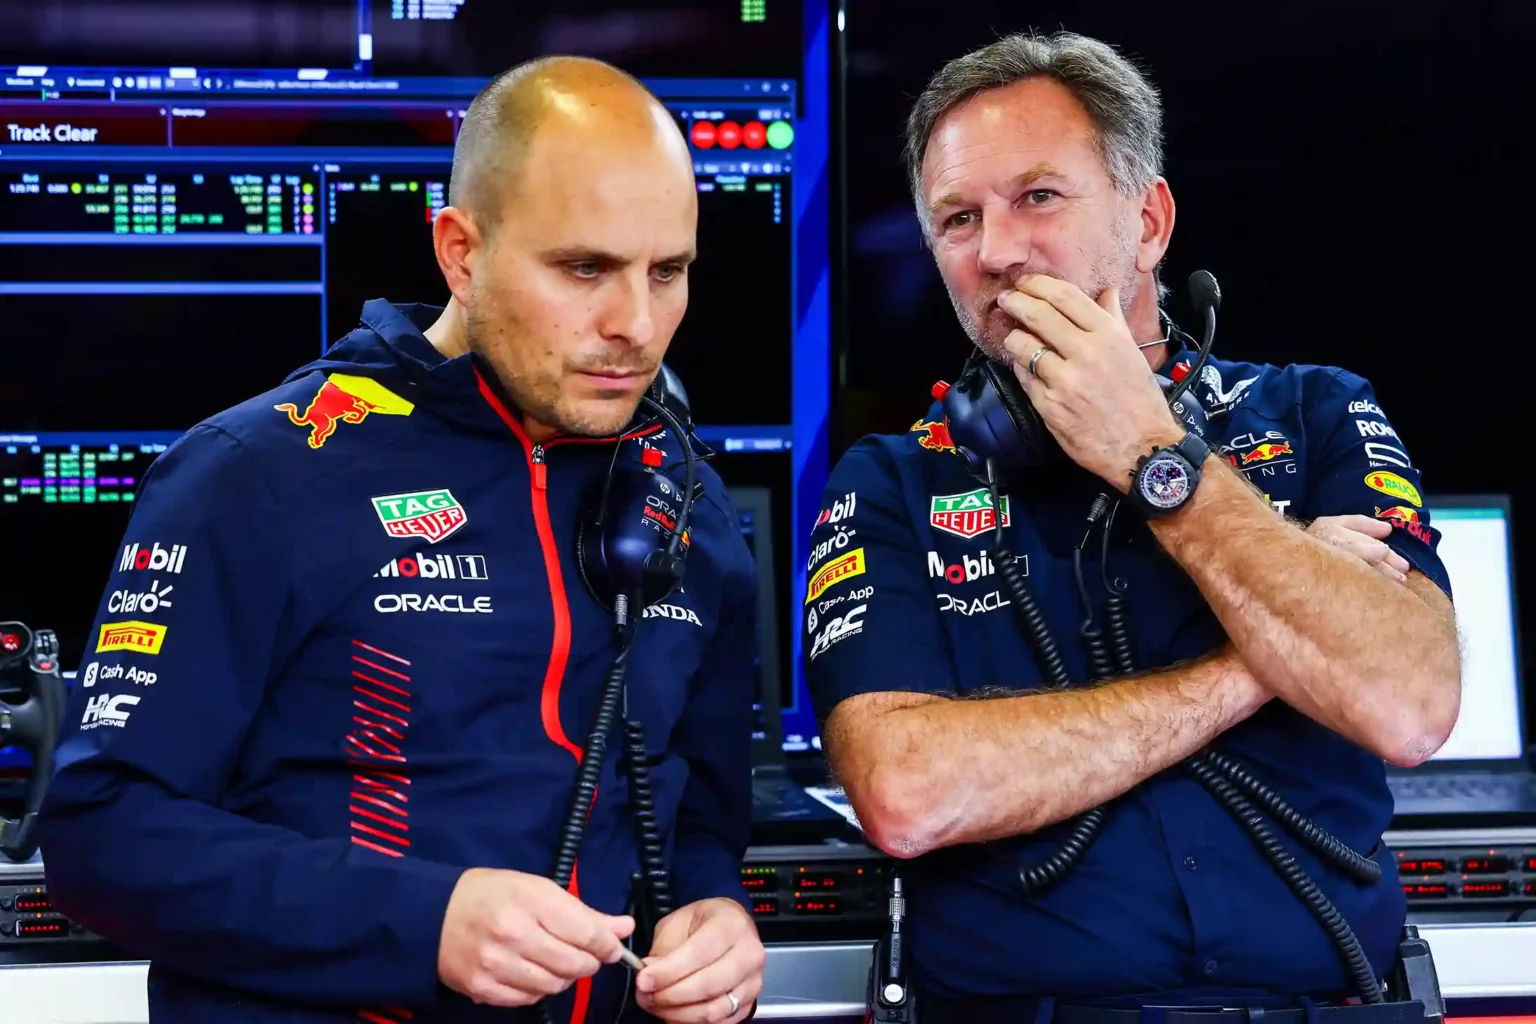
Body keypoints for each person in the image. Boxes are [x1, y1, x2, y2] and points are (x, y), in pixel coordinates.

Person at [39, 56, 765, 1024]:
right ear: (460, 252)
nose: (636, 324)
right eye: (584, 267)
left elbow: (705, 826)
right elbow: (102, 837)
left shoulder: (687, 505)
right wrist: (427, 922)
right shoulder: (256, 474)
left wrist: (715, 917)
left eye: (667, 272)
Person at [802, 30, 1461, 1022]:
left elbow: (1410, 703)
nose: (996, 251)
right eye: (956, 218)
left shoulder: (1317, 412)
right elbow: (908, 794)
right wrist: (1263, 658)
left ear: (1147, 222)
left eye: (1038, 197)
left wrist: (1162, 463)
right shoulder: (893, 478)